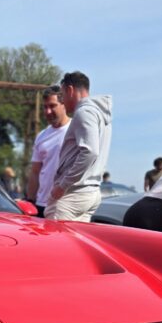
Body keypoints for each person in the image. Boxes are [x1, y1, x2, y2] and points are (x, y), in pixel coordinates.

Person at [47, 71, 112, 222]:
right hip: (91, 191)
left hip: (73, 194)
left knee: (55, 243)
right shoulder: (100, 114)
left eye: (62, 95)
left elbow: (90, 152)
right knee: (74, 244)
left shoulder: (84, 112)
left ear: (70, 90)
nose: (62, 102)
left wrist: (62, 185)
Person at [26, 85, 70, 214]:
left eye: (52, 106)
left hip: (64, 204)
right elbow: (35, 172)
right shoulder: (41, 136)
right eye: (45, 107)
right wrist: (30, 200)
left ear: (64, 104)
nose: (48, 111)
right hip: (41, 204)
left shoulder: (75, 130)